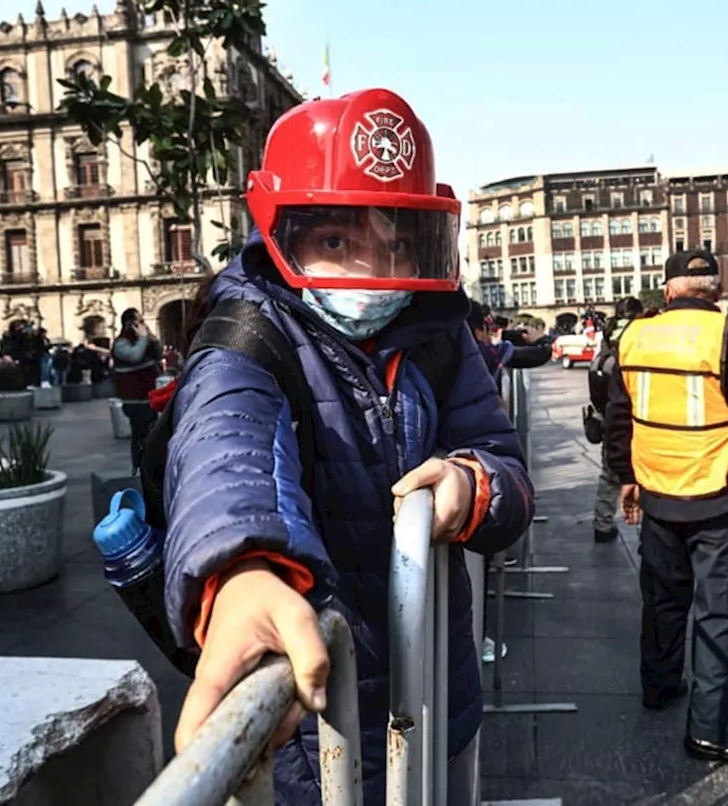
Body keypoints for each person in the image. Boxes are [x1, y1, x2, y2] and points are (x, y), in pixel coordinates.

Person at [163, 88, 535, 803]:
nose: (370, 268)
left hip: (438, 694)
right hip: (319, 729)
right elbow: (227, 447)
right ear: (279, 230)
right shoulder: (248, 336)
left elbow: (508, 473)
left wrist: (471, 484)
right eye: (336, 241)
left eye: (395, 238)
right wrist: (243, 574)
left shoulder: (438, 329)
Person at [603, 249, 728, 769]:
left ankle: (660, 687)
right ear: (716, 289)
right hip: (717, 495)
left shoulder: (635, 335)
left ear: (667, 290)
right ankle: (714, 732)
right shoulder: (727, 336)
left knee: (663, 600)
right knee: (720, 614)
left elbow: (619, 414)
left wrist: (625, 477)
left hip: (657, 490)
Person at [586, 296, 642, 543]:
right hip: (631, 422)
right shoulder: (629, 349)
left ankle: (602, 523)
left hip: (606, 421)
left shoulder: (602, 355)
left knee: (609, 477)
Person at [112, 308, 163, 470]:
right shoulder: (121, 343)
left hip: (147, 396)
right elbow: (134, 356)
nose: (143, 324)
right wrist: (142, 339)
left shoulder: (143, 340)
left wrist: (152, 340)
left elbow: (157, 355)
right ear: (130, 324)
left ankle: (151, 467)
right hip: (133, 398)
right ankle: (139, 467)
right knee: (140, 435)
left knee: (152, 434)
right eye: (139, 321)